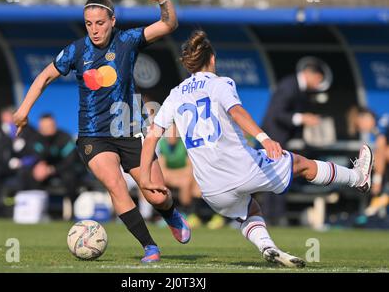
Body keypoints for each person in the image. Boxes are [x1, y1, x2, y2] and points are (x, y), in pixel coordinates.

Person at [140, 30, 374, 268]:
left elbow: (151, 137)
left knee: (250, 209)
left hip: (210, 188)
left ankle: (267, 247)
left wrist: (146, 181)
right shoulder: (220, 83)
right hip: (242, 168)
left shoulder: (175, 95)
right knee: (301, 164)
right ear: (212, 59)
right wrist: (265, 139)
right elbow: (237, 112)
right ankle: (358, 178)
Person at [13, 0, 190, 263]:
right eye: (88, 24)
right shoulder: (76, 51)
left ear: (112, 21)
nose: (94, 30)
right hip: (93, 135)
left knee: (156, 196)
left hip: (129, 130)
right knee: (115, 184)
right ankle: (150, 247)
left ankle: (170, 213)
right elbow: (45, 76)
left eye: (99, 23)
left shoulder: (128, 40)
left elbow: (168, 24)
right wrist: (23, 110)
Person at [260, 57, 327, 225]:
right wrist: (302, 118)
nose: (319, 84)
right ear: (310, 74)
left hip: (281, 138)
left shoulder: (301, 89)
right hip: (273, 137)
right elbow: (277, 114)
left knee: (281, 175)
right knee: (273, 177)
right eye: (319, 79)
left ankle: (277, 216)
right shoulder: (289, 86)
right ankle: (270, 217)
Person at [0, 106, 37, 216]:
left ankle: (16, 209)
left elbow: (34, 153)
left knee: (22, 177)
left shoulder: (29, 131)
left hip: (22, 168)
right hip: (3, 166)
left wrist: (22, 161)